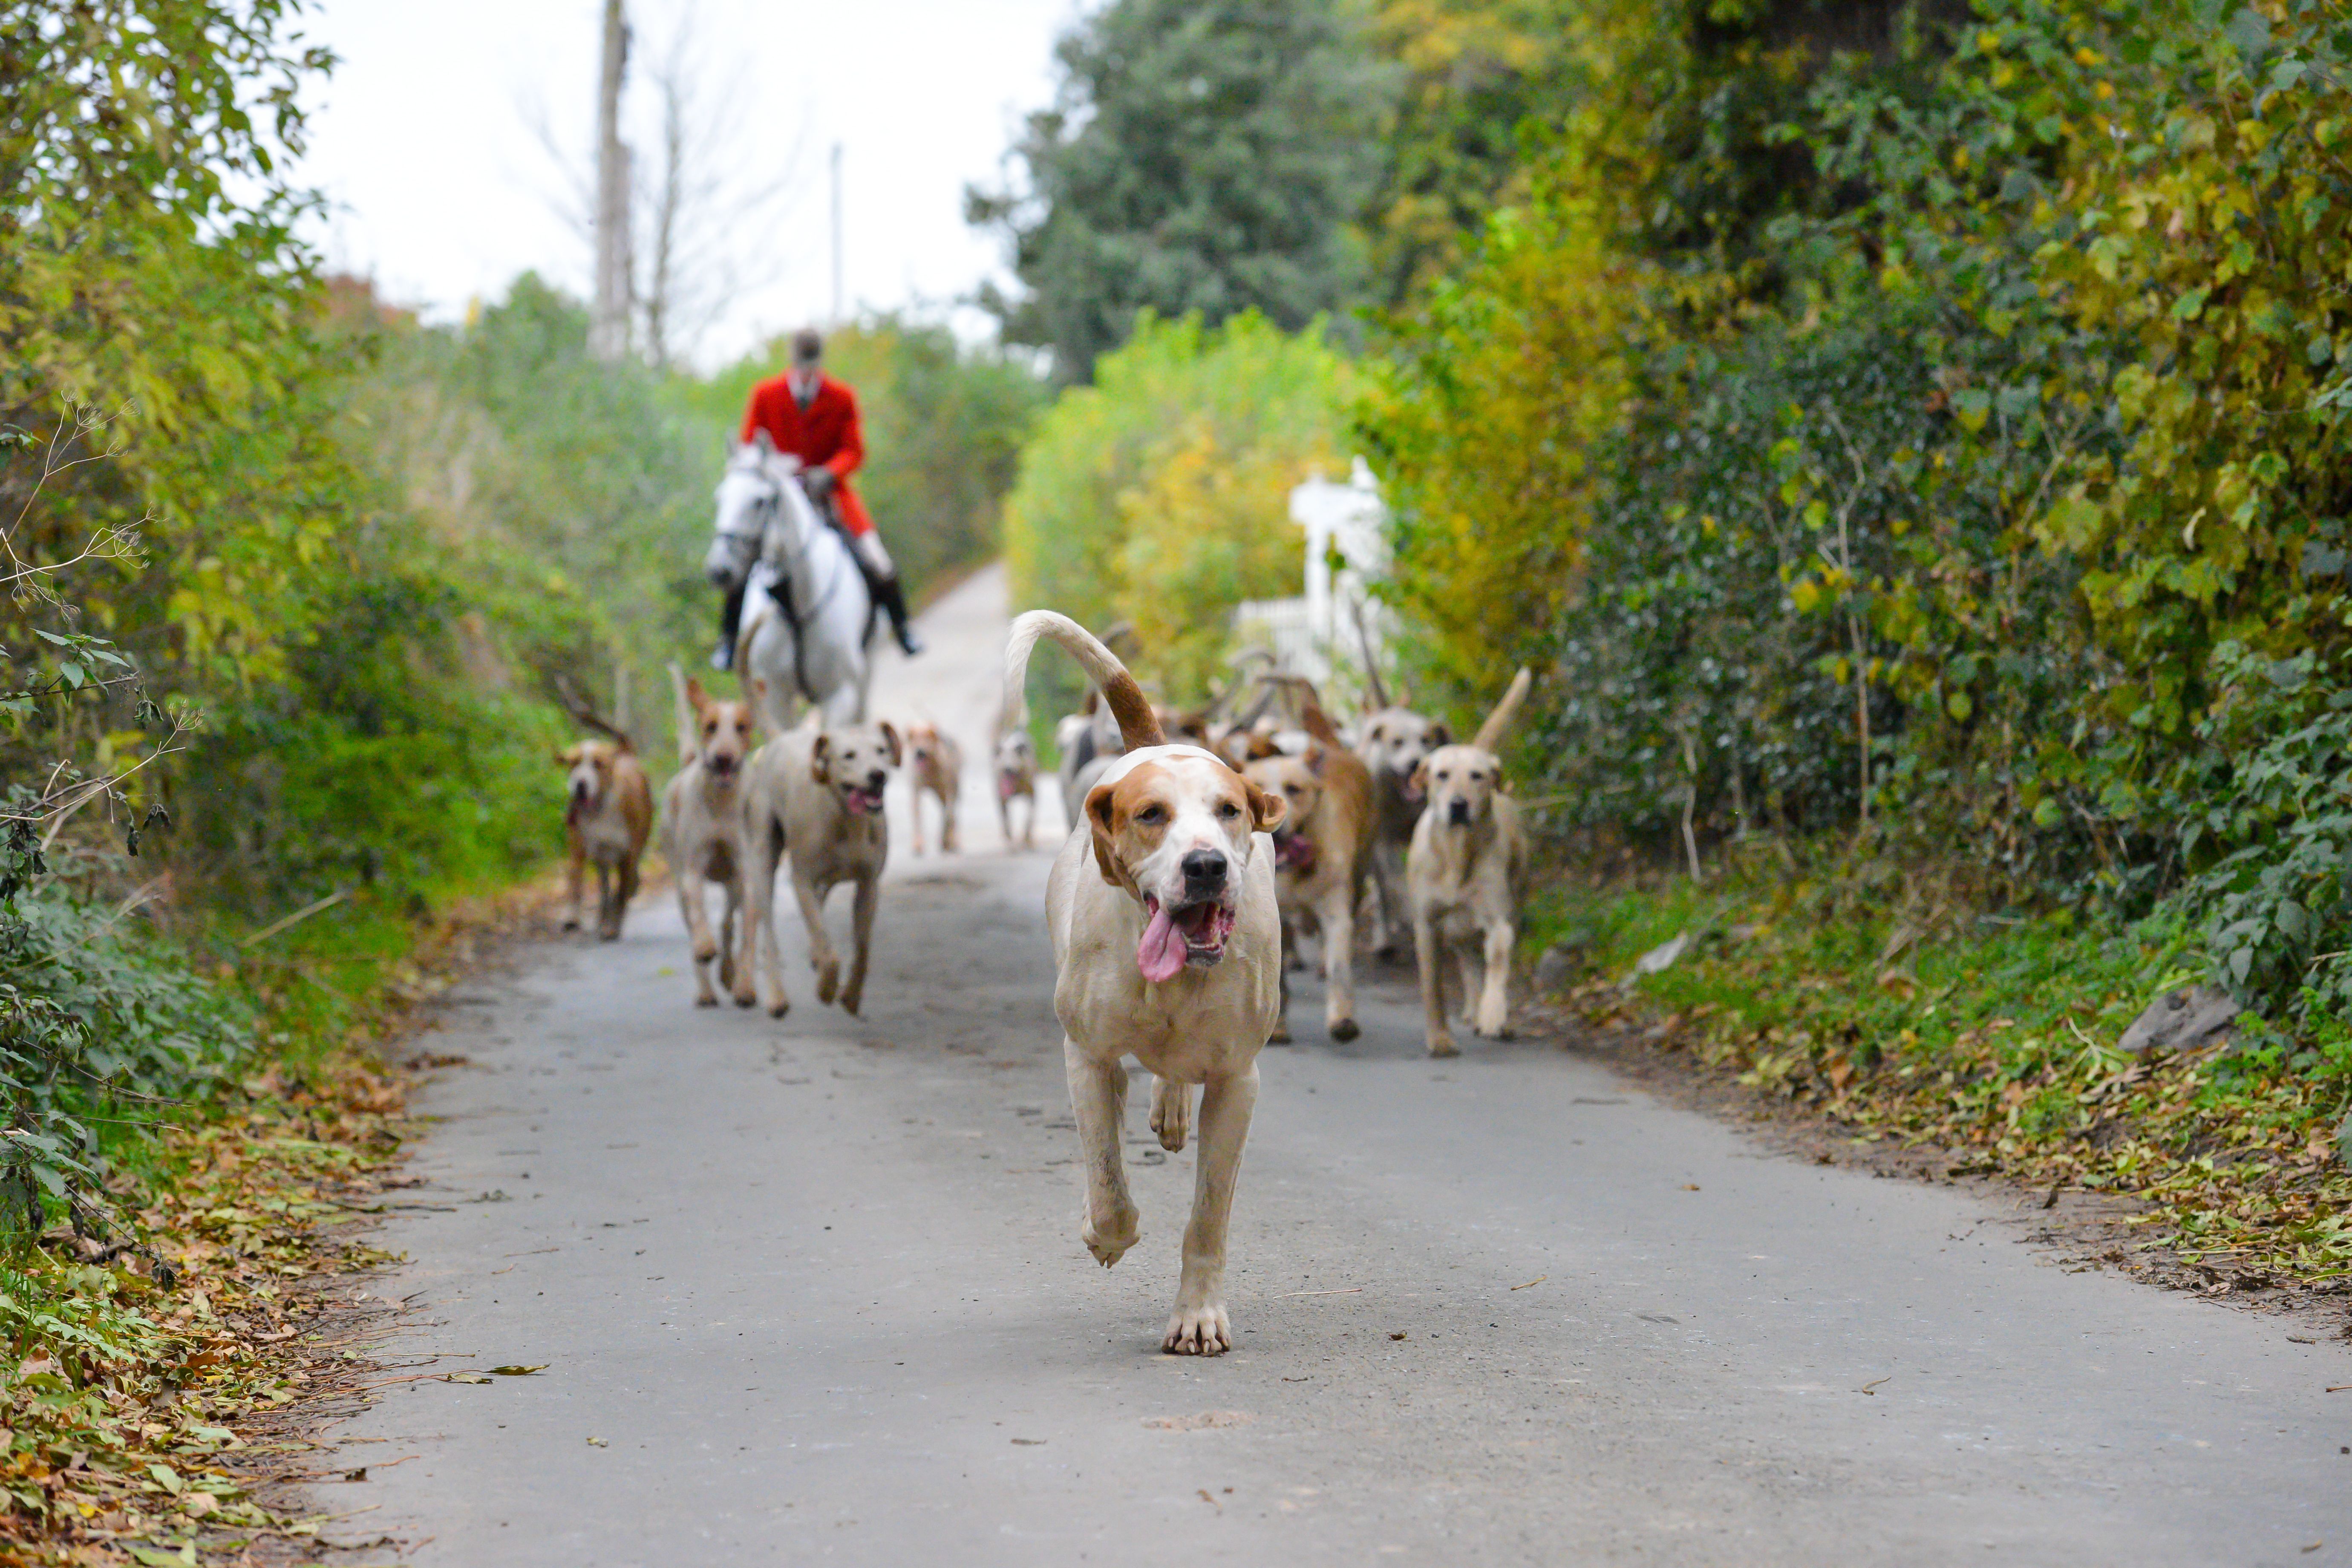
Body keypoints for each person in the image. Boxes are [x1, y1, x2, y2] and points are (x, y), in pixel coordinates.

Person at [716, 327, 922, 666]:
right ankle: (727, 641)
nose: (807, 371)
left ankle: (903, 629)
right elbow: (749, 448)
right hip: (779, 498)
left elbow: (855, 451)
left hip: (831, 495)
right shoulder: (766, 394)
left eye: (811, 364)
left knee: (879, 560)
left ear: (820, 361)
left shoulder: (842, 396)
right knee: (743, 560)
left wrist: (828, 473)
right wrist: (782, 472)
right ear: (792, 361)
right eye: (801, 364)